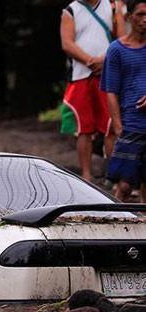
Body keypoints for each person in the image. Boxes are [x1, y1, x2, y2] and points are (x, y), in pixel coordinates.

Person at [61, 0, 126, 181]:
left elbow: (121, 38)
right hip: (81, 75)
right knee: (84, 128)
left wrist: (104, 60)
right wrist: (91, 60)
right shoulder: (70, 10)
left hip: (109, 73)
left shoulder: (113, 6)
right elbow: (67, 43)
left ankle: (113, 175)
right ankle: (86, 175)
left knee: (111, 126)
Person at [101, 0, 146, 201]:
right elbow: (111, 91)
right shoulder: (117, 50)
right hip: (132, 123)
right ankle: (115, 222)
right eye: (140, 14)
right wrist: (118, 127)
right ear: (129, 17)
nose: (145, 20)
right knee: (125, 183)